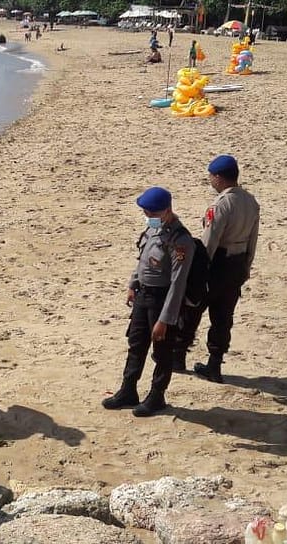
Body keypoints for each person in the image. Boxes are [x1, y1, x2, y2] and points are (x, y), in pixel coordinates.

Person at [102, 187, 194, 417]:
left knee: (161, 351)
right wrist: (133, 284)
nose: (148, 217)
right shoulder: (153, 230)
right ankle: (128, 390)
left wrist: (165, 319)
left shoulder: (180, 240)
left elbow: (177, 283)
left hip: (162, 300)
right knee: (136, 344)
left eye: (152, 213)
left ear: (167, 210)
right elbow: (142, 260)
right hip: (143, 296)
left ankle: (156, 396)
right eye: (146, 213)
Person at [192, 155, 260, 384]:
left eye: (211, 176)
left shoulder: (221, 204)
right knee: (224, 317)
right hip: (238, 263)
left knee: (193, 308)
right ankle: (214, 364)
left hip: (218, 263)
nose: (210, 181)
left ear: (219, 177)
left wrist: (199, 270)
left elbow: (210, 240)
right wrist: (246, 267)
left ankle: (177, 355)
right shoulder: (250, 201)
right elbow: (253, 239)